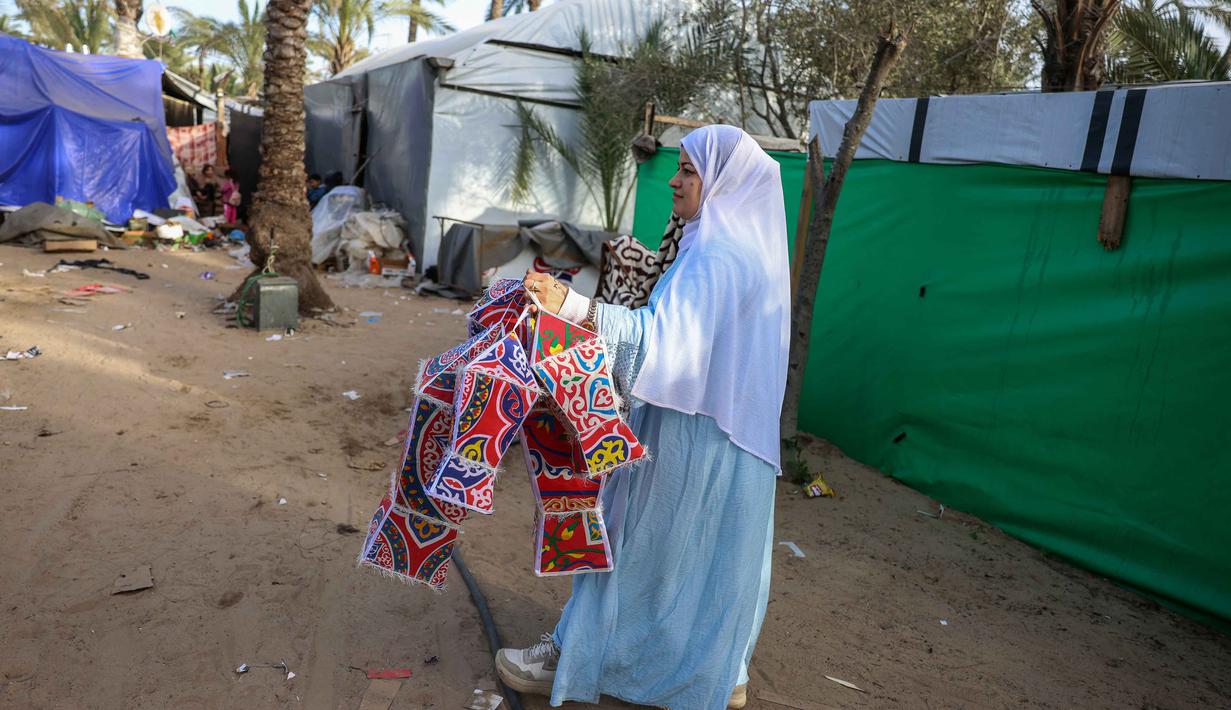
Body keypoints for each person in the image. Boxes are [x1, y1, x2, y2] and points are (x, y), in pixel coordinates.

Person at [497, 125, 790, 710]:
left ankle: (582, 653)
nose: (676, 181)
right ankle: (718, 666)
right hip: (734, 439)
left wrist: (571, 307)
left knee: (635, 547)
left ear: (722, 180)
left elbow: (661, 344)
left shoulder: (718, 254)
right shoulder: (751, 250)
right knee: (712, 558)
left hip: (689, 433)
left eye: (688, 170)